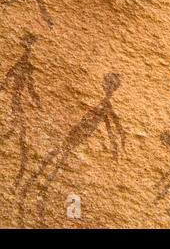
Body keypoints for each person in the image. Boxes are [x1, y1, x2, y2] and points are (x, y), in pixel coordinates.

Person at [19, 72, 126, 225]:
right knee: (51, 162)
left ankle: (34, 193)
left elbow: (112, 126)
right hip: (74, 135)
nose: (102, 82)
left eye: (106, 81)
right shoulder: (104, 104)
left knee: (51, 164)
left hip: (75, 138)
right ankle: (32, 191)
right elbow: (111, 126)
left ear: (109, 86)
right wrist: (116, 143)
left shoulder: (105, 105)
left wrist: (116, 144)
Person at [0, 33, 42, 188]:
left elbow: (5, 83)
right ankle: (22, 169)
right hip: (16, 106)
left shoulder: (20, 65)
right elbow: (30, 89)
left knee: (14, 134)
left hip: (14, 105)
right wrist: (38, 103)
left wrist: (37, 102)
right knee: (19, 137)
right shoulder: (24, 66)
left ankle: (21, 171)